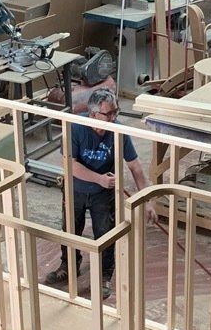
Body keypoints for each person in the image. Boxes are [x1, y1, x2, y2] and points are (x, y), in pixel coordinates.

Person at [44, 89, 156, 297]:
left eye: (116, 112)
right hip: (75, 189)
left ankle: (104, 276)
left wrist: (146, 200)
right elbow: (70, 165)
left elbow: (136, 167)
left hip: (102, 195)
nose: (113, 118)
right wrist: (100, 179)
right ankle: (68, 267)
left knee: (105, 234)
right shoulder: (75, 127)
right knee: (70, 229)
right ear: (93, 114)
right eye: (109, 114)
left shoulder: (117, 131)